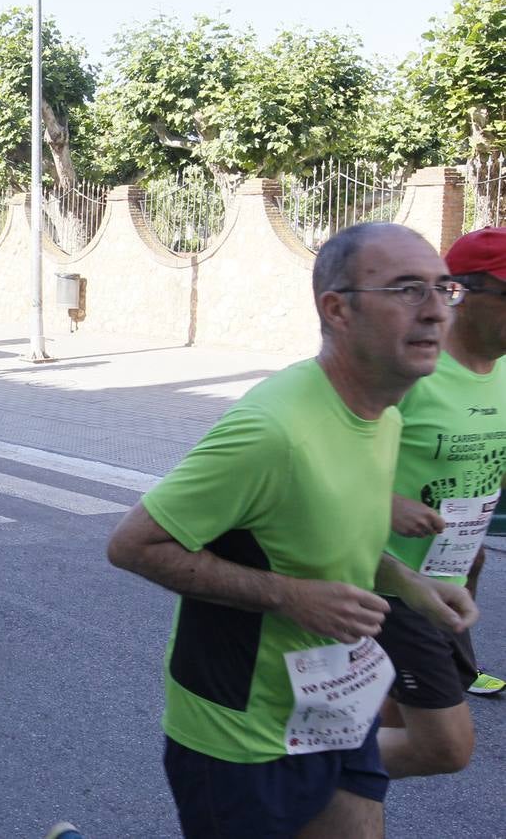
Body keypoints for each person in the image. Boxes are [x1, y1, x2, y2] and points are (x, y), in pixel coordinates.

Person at [106, 223, 479, 838]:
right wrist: (291, 596)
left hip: (332, 706)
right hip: (239, 729)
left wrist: (408, 582)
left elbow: (328, 531)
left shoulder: (383, 415)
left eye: (444, 288)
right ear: (337, 309)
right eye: (409, 289)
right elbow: (132, 545)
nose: (437, 310)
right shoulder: (272, 429)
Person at [376, 225, 506, 781]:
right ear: (463, 294)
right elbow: (325, 460)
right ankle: (282, 763)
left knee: (370, 727)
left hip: (445, 581)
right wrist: (384, 502)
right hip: (384, 582)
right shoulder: (413, 370)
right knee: (444, 746)